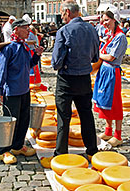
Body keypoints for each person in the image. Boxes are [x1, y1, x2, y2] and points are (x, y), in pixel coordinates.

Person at [40, 0, 99, 168]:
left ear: (67, 13)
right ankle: (92, 150)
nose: (61, 16)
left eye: (62, 13)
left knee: (63, 117)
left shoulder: (64, 31)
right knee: (86, 115)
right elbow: (95, 57)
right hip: (84, 79)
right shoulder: (91, 29)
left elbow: (56, 62)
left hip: (67, 79)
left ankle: (60, 154)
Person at [0, 19, 44, 164]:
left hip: (24, 90)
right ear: (16, 30)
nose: (28, 30)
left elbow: (29, 65)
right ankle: (3, 150)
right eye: (25, 28)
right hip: (11, 92)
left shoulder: (24, 47)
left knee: (23, 120)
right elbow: (0, 72)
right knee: (9, 123)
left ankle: (17, 146)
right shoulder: (8, 48)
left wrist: (37, 55)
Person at [93, 8, 127, 147]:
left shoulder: (120, 37)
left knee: (115, 104)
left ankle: (118, 135)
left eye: (106, 20)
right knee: (104, 101)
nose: (104, 22)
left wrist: (97, 54)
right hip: (104, 71)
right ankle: (108, 131)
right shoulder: (110, 35)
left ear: (115, 20)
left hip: (112, 72)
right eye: (103, 20)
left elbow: (111, 57)